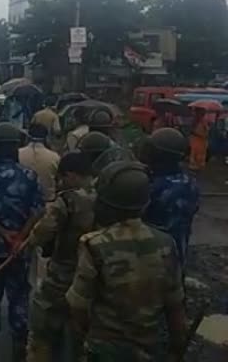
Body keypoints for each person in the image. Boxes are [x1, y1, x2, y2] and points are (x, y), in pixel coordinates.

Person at [66, 161, 188, 361]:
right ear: (144, 203)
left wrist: (85, 340)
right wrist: (177, 348)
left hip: (104, 350)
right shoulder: (166, 242)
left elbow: (78, 305)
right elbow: (175, 305)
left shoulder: (94, 244)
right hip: (148, 348)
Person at [0, 122, 45, 361]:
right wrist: (19, 236)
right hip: (20, 250)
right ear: (15, 147)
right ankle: (18, 347)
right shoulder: (30, 176)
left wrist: (2, 233)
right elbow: (38, 211)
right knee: (19, 296)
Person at [27, 151, 95, 362]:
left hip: (63, 273)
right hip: (91, 276)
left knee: (44, 325)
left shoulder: (66, 201)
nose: (61, 182)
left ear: (72, 175)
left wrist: (28, 243)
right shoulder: (104, 196)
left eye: (63, 177)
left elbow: (42, 233)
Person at [141, 128, 200, 272]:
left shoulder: (154, 188)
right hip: (178, 253)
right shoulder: (189, 183)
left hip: (153, 257)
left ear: (158, 155)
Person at [18, 124, 60, 201]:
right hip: (48, 201)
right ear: (46, 138)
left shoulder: (18, 153)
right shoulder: (54, 156)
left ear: (27, 137)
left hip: (23, 202)